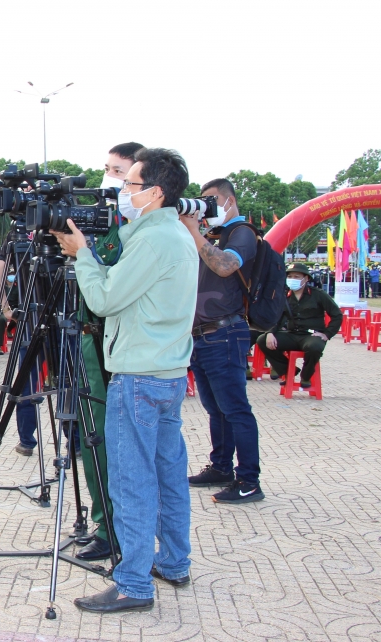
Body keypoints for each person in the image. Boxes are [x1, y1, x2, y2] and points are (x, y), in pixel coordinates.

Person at [52, 147, 197, 613]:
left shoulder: (153, 239)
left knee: (132, 480)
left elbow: (106, 299)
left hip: (138, 376)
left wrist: (82, 258)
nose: (122, 193)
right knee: (169, 473)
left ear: (154, 192)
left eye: (130, 184)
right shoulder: (171, 232)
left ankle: (133, 583)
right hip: (168, 373)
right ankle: (173, 561)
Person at [71, 141, 143, 562]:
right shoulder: (100, 222)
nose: (109, 179)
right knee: (86, 436)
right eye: (108, 169)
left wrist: (84, 255)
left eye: (119, 172)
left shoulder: (133, 230)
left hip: (110, 341)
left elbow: (110, 291)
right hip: (85, 337)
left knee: (106, 438)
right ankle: (104, 520)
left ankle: (116, 528)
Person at [181, 177, 264, 505]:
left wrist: (194, 231)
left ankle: (249, 480)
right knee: (215, 408)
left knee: (235, 409)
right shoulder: (213, 235)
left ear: (229, 201)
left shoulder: (242, 233)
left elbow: (226, 266)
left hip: (225, 331)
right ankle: (220, 467)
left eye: (212, 202)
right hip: (203, 335)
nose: (206, 208)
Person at [260, 262, 342, 388]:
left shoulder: (318, 295)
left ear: (306, 278)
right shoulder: (284, 296)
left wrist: (327, 334)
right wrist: (270, 332)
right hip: (292, 334)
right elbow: (276, 317)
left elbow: (337, 315)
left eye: (297, 277)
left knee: (314, 347)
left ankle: (306, 375)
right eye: (290, 276)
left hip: (311, 335)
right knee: (262, 340)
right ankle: (288, 370)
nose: (292, 279)